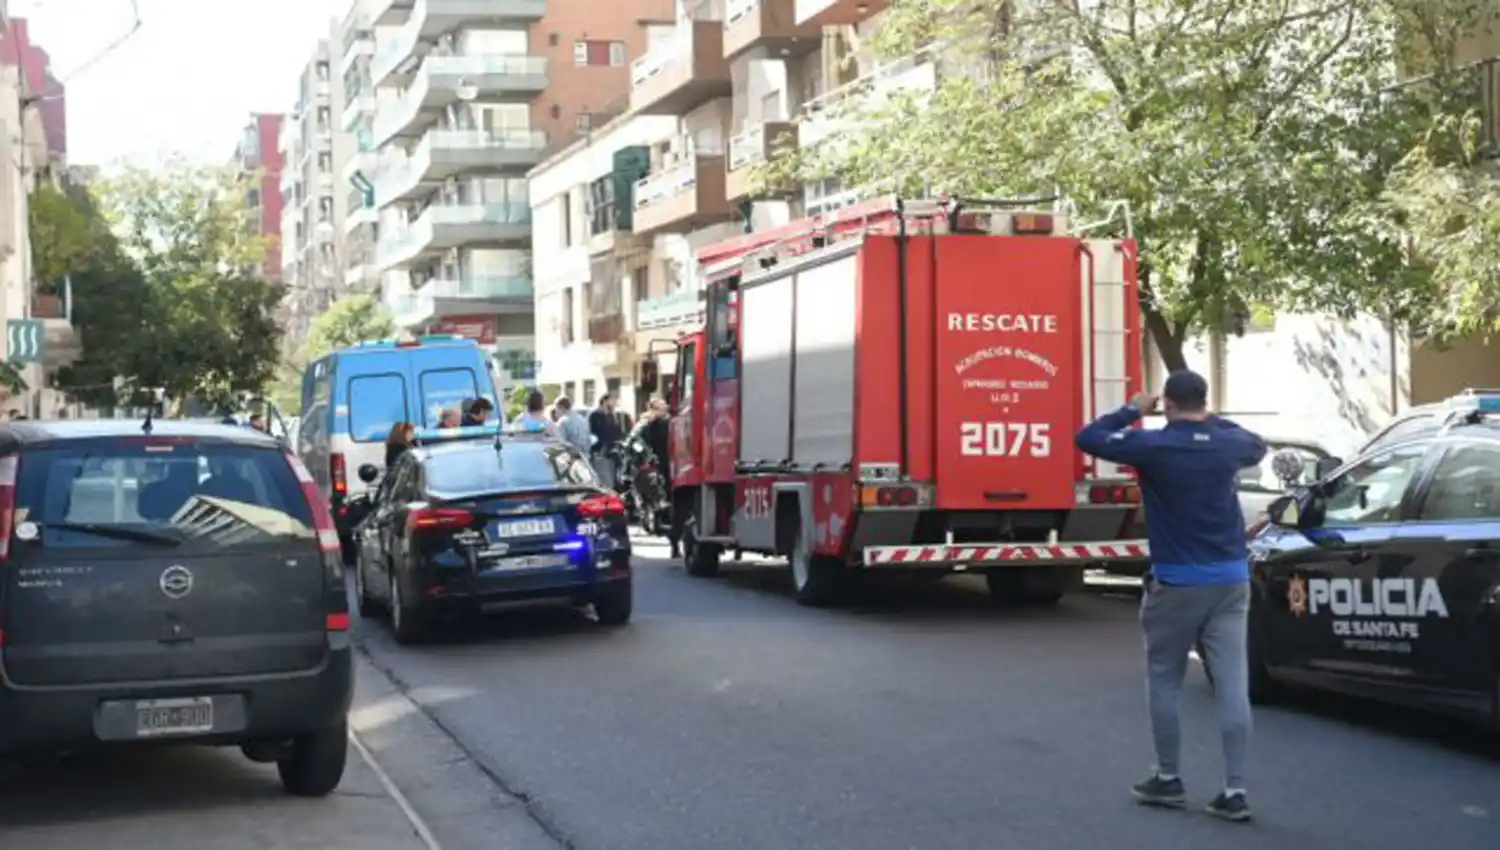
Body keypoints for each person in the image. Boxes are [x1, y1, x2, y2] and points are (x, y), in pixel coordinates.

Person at [1075, 369, 1267, 823]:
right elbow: (1254, 441)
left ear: (1166, 405)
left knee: (1164, 676)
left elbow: (1089, 436)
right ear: (1204, 401)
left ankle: (1168, 777)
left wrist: (1132, 410)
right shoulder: (1228, 444)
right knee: (1232, 684)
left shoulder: (1154, 446)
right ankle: (1235, 789)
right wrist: (1208, 421)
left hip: (1178, 580)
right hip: (1230, 578)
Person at [588, 393, 624, 487]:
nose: (615, 403)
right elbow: (592, 433)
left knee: (613, 476)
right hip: (600, 451)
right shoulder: (595, 415)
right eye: (613, 400)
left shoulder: (613, 415)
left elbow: (617, 432)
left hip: (612, 451)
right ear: (605, 401)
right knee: (603, 476)